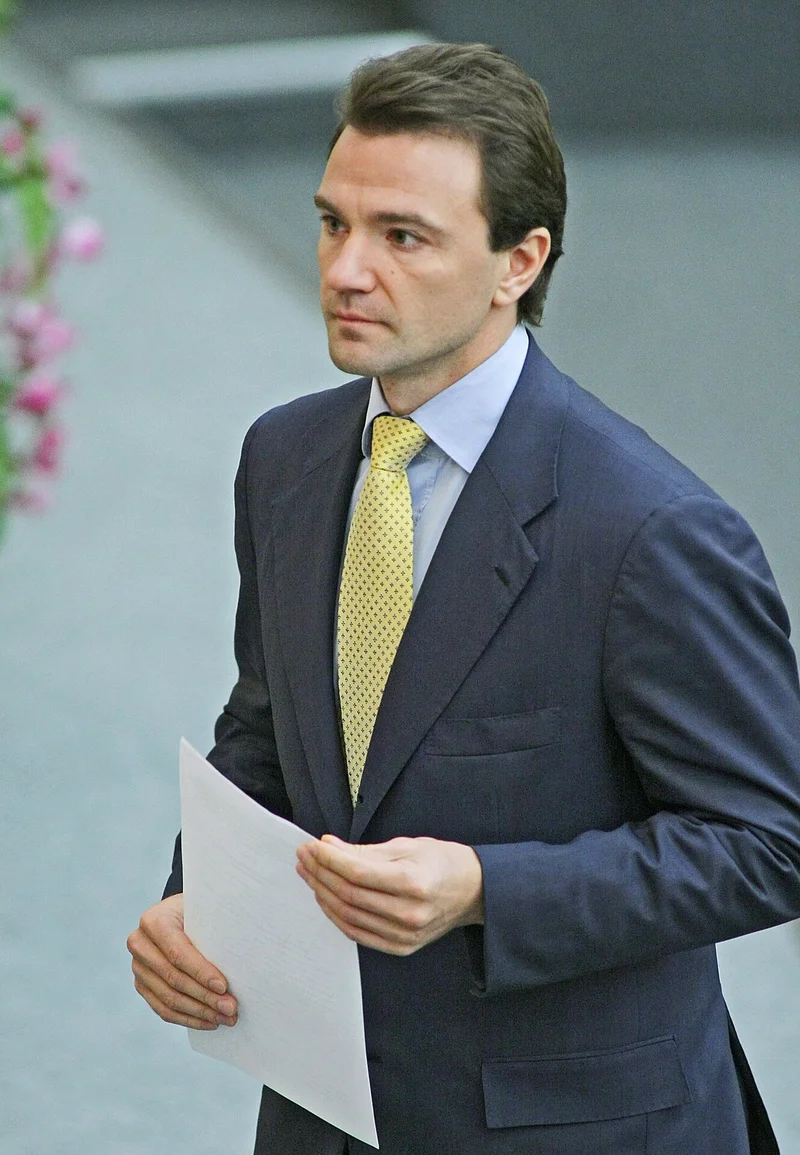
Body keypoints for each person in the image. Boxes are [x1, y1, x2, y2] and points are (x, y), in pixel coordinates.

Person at [127, 42, 800, 1155]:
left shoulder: (649, 529)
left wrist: (488, 888)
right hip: (326, 1109)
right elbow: (270, 731)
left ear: (516, 262)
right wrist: (195, 899)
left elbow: (768, 842)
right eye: (333, 222)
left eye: (402, 237)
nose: (346, 268)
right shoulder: (284, 458)